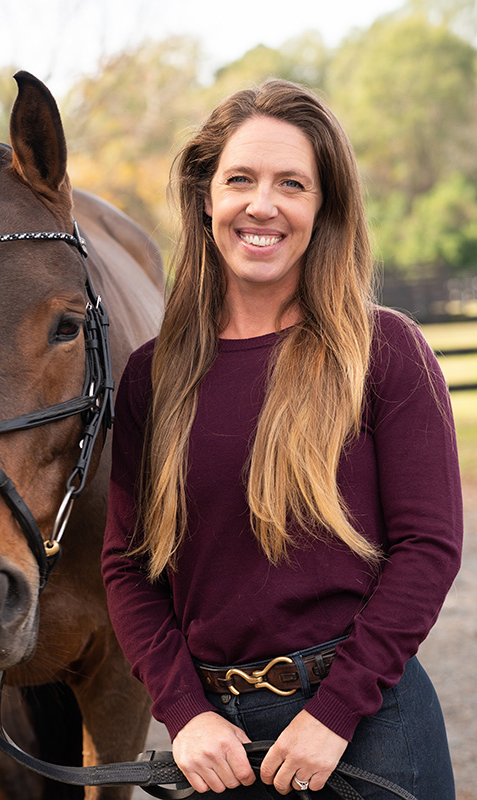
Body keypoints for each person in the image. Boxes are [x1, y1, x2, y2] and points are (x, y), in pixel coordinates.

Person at [101, 79, 462, 798]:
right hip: (219, 750)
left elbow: (429, 550)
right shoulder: (154, 376)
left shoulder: (384, 350)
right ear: (207, 198)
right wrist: (185, 714)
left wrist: (332, 713)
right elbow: (128, 568)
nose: (262, 205)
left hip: (369, 732)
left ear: (322, 206)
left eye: (292, 183)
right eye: (241, 179)